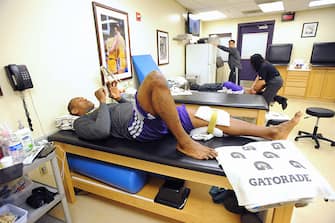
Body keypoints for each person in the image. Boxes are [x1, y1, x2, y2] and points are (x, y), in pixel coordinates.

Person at [68, 71, 301, 160]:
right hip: (135, 128)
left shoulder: (106, 106)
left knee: (211, 115)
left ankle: (272, 131)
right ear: (74, 111)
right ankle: (184, 142)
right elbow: (100, 131)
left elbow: (127, 107)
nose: (84, 99)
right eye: (79, 101)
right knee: (155, 79)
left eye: (84, 98)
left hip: (144, 117)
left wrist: (118, 98)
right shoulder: (81, 122)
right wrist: (101, 103)